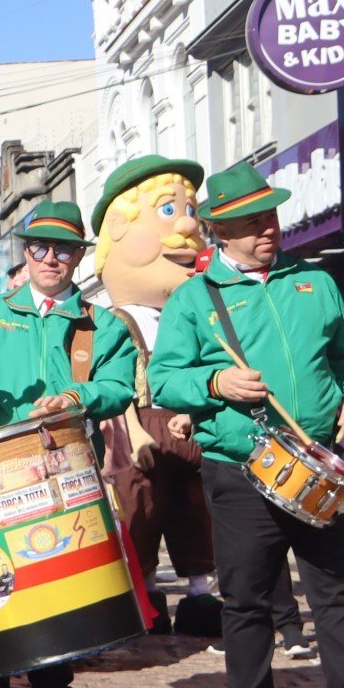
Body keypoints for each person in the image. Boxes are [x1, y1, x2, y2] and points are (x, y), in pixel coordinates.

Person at [149, 163, 344, 688]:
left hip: (316, 460)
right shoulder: (195, 298)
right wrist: (217, 383)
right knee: (245, 597)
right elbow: (163, 378)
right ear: (219, 230)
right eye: (250, 222)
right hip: (243, 467)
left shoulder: (314, 282)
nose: (267, 229)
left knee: (340, 591)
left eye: (269, 216)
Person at [0, 202, 138, 688]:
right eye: (41, 248)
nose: (51, 258)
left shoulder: (103, 325)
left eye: (64, 249)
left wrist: (80, 394)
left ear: (78, 257)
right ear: (26, 253)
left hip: (66, 470)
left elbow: (122, 387)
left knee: (60, 588)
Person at [87, 155, 219, 633]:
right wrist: (134, 430)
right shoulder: (111, 320)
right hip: (136, 427)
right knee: (138, 507)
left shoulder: (196, 315)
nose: (188, 224)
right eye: (168, 210)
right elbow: (113, 382)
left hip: (190, 424)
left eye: (190, 210)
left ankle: (202, 592)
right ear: (117, 229)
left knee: (194, 507)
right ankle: (147, 593)